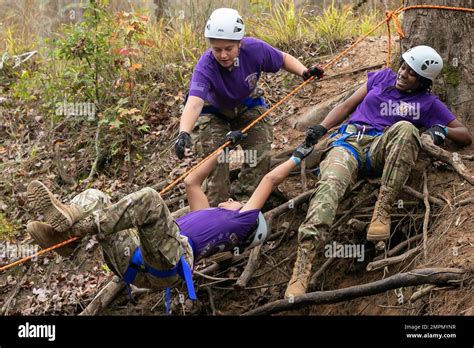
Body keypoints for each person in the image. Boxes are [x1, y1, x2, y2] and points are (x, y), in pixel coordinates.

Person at [285, 45, 472, 298]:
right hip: (348, 144)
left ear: (423, 82)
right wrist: (321, 128)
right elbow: (347, 105)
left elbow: (464, 134)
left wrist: (442, 130)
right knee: (328, 186)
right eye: (404, 66)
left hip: (379, 149)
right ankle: (303, 266)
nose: (403, 73)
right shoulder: (382, 77)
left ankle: (382, 211)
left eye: (412, 73)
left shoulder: (428, 103)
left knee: (406, 128)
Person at [26, 142, 314, 306]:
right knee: (96, 196)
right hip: (136, 261)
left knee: (150, 199)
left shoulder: (240, 223)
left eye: (240, 201)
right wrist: (224, 148)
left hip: (170, 264)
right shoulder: (209, 215)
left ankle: (75, 229)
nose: (233, 199)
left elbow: (269, 180)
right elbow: (192, 181)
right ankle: (63, 236)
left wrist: (299, 153)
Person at [174, 7, 324, 206]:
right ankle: (216, 208)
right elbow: (194, 103)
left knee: (259, 148)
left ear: (239, 42)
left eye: (229, 48)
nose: (223, 55)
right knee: (218, 158)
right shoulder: (205, 65)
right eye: (217, 49)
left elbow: (283, 59)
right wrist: (183, 132)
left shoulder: (254, 49)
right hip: (213, 111)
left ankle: (246, 202)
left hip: (247, 103)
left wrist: (304, 72)